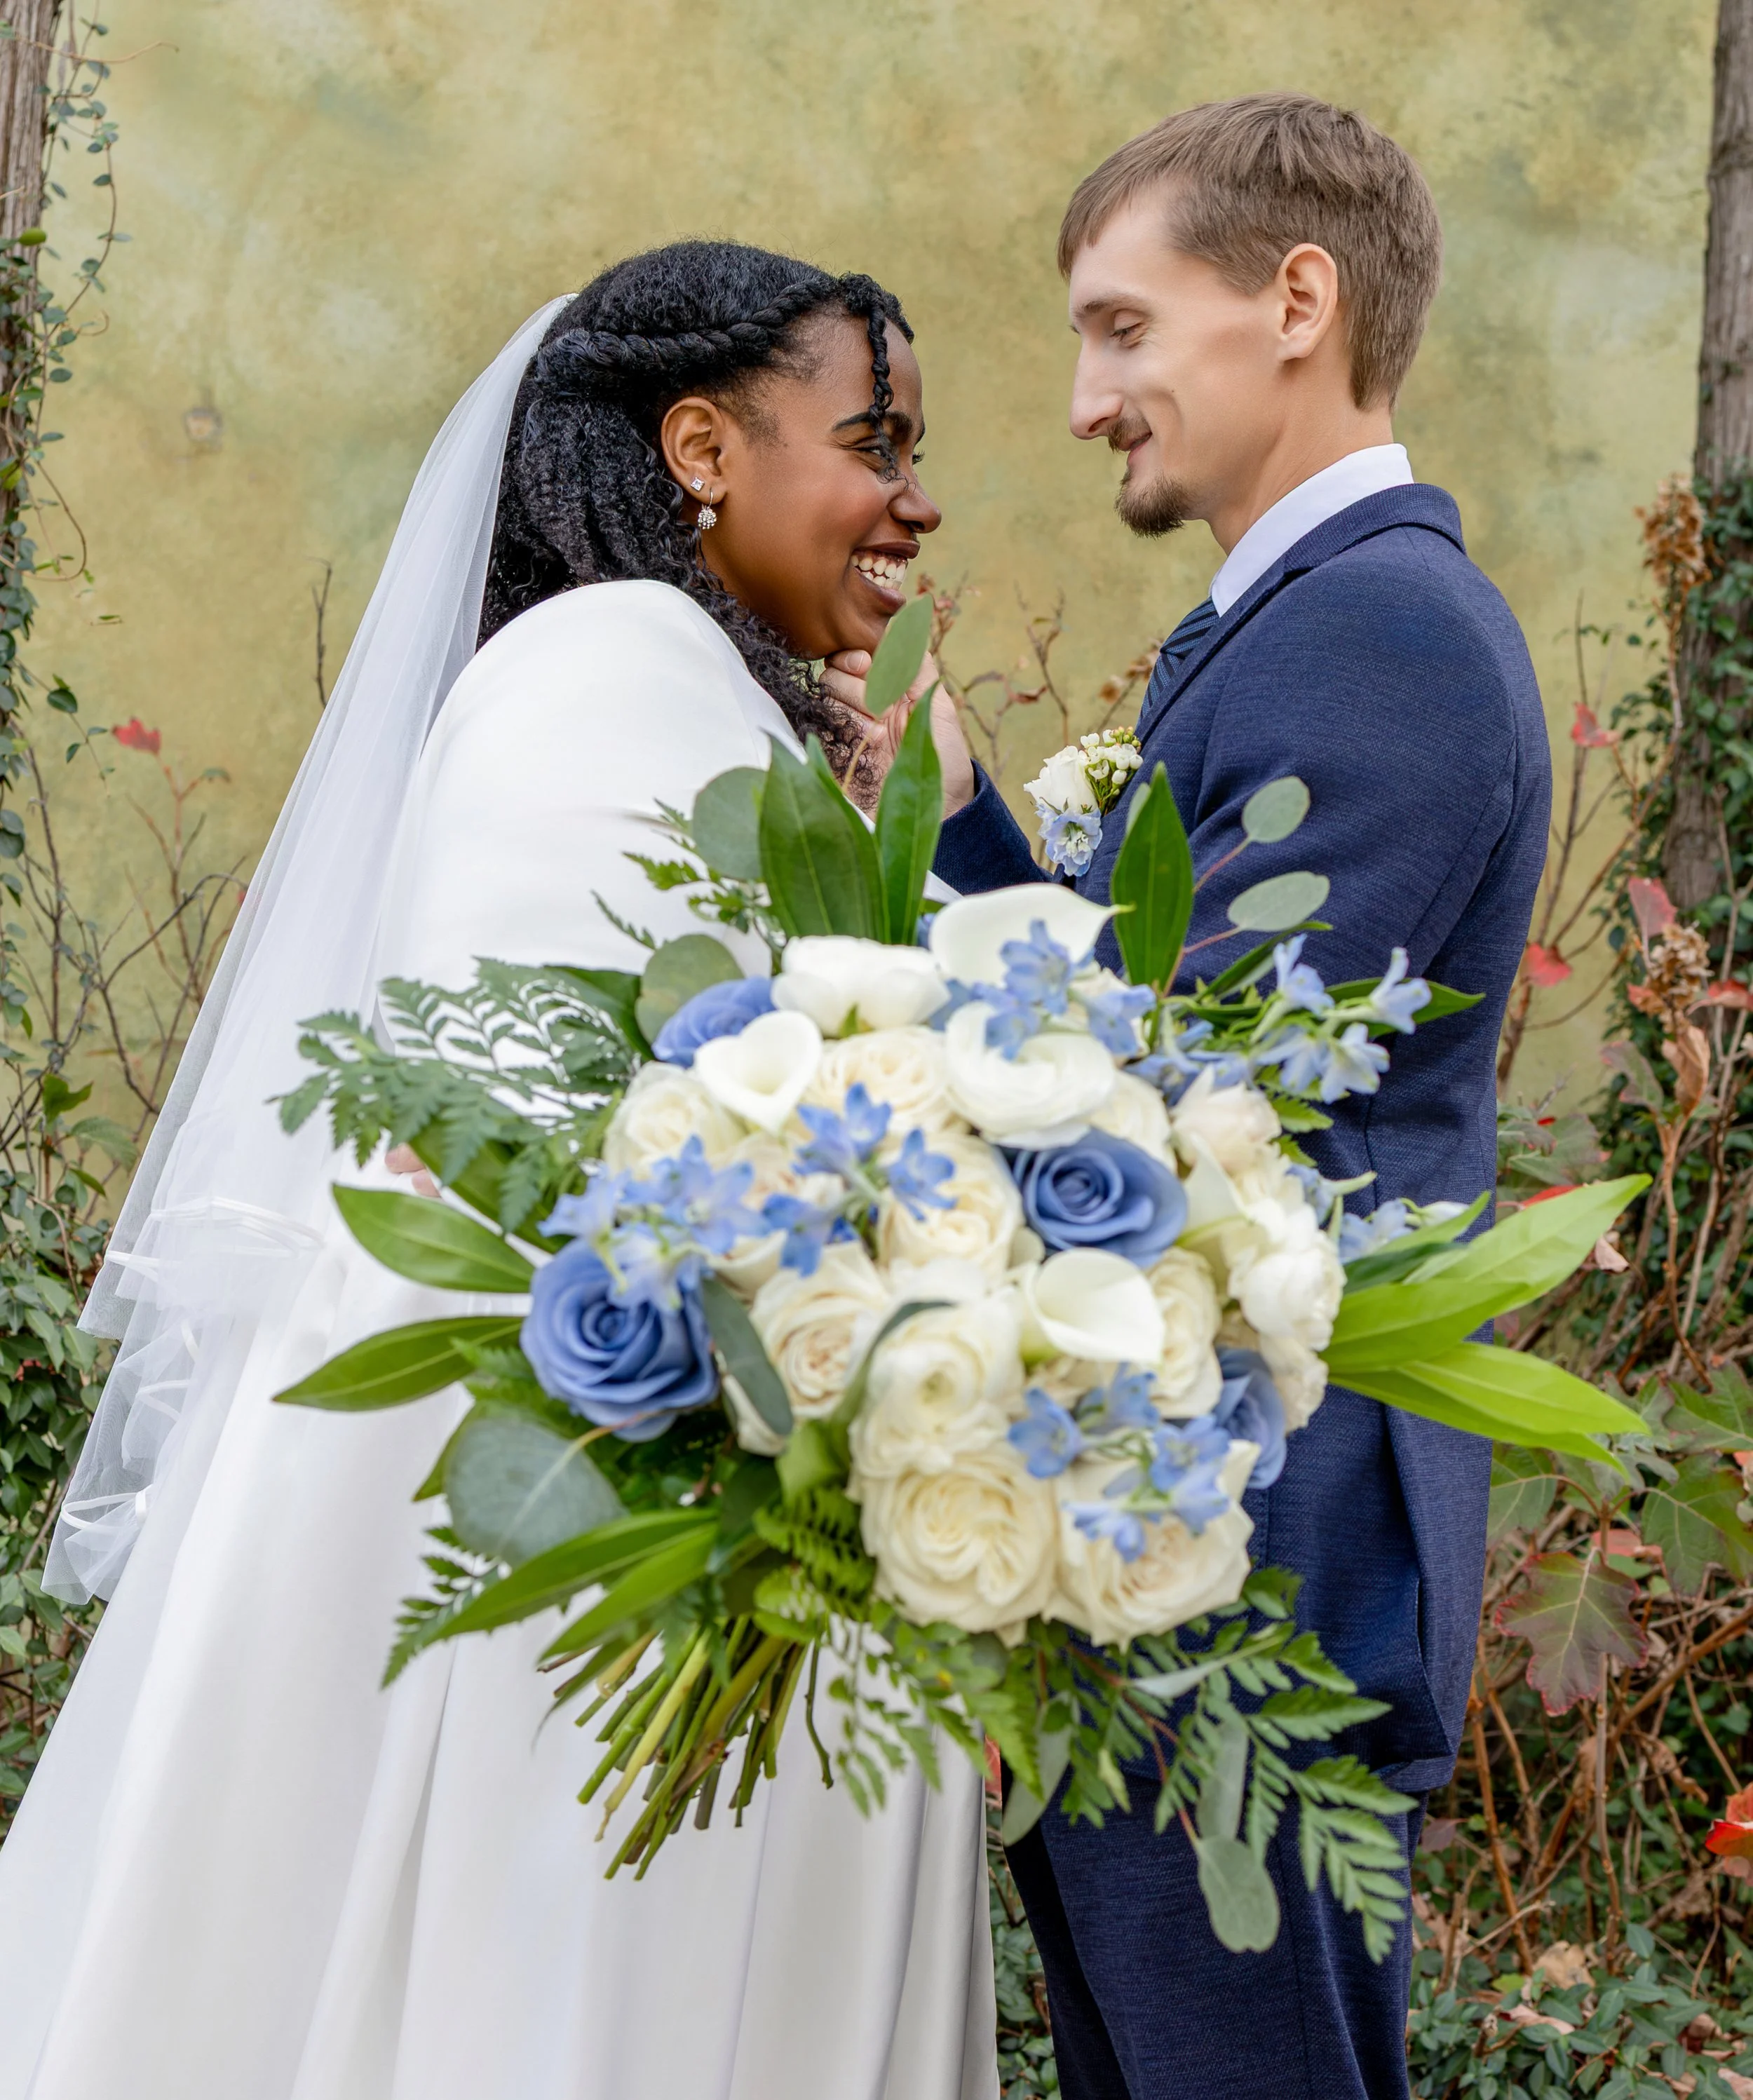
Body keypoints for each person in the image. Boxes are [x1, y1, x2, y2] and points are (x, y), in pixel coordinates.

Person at [0, 242, 996, 2100]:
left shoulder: (710, 699)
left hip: (700, 1517)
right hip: (584, 1546)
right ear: (700, 446)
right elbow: (597, 1134)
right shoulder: (597, 673)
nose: (915, 500)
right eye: (874, 439)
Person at [837, 93, 1551, 2100]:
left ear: (1295, 300)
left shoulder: (1384, 637)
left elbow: (1188, 1101)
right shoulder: (1306, 626)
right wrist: (969, 830)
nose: (1085, 399)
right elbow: (1167, 1015)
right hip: (1188, 1518)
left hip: (1256, 1542)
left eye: (1123, 328)